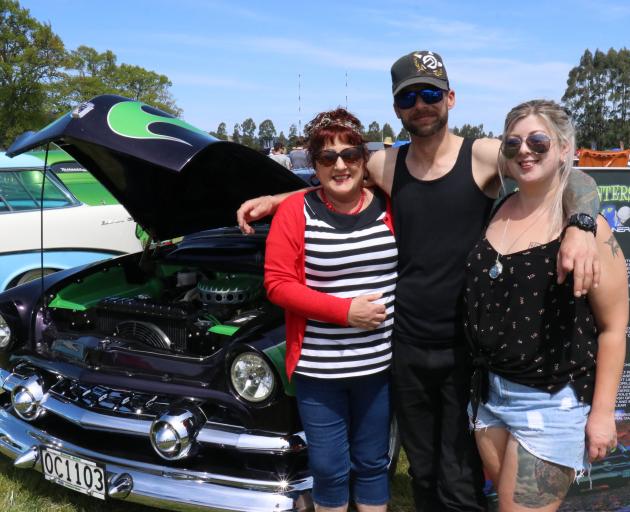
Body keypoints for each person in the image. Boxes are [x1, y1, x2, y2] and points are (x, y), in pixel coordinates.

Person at [238, 50, 601, 512]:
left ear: (450, 97)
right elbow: (335, 179)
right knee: (423, 469)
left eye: (430, 93)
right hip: (404, 345)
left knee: (459, 475)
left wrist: (583, 225)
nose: (421, 104)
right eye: (409, 97)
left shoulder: (485, 154)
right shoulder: (388, 164)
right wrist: (275, 198)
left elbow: (571, 177)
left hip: (465, 347)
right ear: (396, 108)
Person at [464, 99, 627, 511]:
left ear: (564, 148)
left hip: (550, 401)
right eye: (513, 142)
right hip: (489, 397)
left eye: (538, 140)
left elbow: (613, 326)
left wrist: (603, 415)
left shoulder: (589, 228)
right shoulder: (498, 206)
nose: (525, 150)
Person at [265, 108, 397, 512]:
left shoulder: (391, 205)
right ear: (314, 164)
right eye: (326, 157)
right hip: (319, 371)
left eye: (350, 155)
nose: (340, 165)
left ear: (364, 158)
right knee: (328, 469)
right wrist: (345, 312)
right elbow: (277, 283)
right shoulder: (296, 211)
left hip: (379, 367)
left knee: (373, 464)